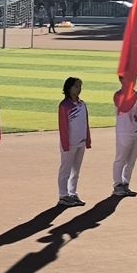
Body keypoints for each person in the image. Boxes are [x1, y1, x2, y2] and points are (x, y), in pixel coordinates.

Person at [56, 77, 90, 207]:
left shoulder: (82, 104)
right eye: (76, 86)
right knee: (66, 169)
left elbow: (85, 123)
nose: (79, 89)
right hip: (70, 143)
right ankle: (63, 195)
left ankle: (73, 193)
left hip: (81, 142)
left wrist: (87, 140)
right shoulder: (64, 106)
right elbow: (63, 127)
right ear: (69, 88)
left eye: (80, 86)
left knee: (76, 170)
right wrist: (65, 144)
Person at [111, 82, 137, 198]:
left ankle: (125, 183)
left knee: (131, 161)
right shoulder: (118, 95)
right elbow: (124, 107)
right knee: (121, 159)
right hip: (124, 132)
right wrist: (136, 96)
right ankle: (117, 185)